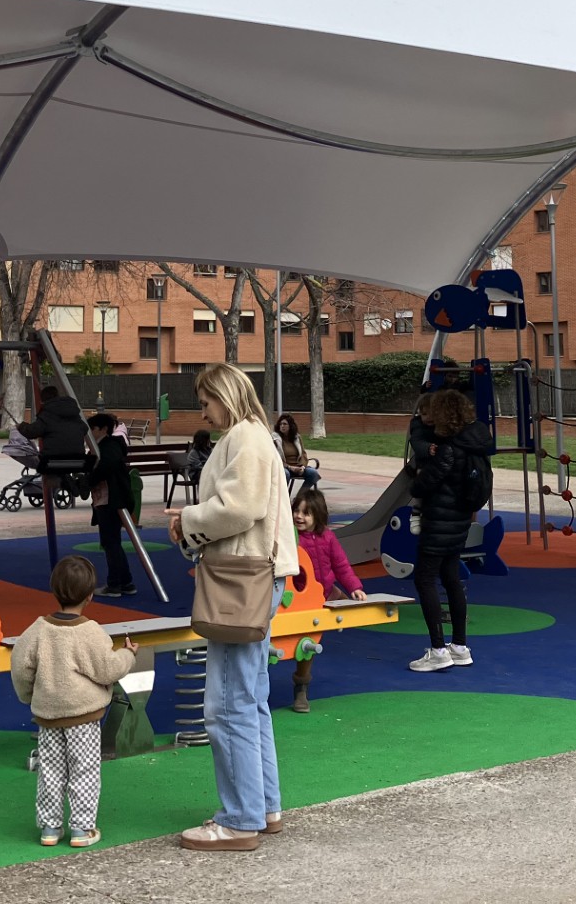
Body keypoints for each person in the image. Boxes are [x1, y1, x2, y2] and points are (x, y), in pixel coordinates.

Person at [166, 361, 299, 852]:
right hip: (259, 577)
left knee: (226, 703)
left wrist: (189, 518)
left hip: (242, 578)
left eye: (206, 401)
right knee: (250, 697)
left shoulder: (243, 439)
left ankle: (240, 819)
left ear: (225, 395)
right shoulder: (257, 436)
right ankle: (262, 806)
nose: (203, 411)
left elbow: (240, 509)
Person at [11, 554, 139, 848]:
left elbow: (20, 665)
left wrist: (29, 696)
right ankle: (81, 829)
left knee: (51, 772)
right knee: (84, 771)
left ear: (53, 590)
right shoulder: (90, 632)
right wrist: (128, 655)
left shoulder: (37, 631)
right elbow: (108, 668)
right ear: (90, 596)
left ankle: (50, 828)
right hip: (84, 716)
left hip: (48, 716)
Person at [405, 387, 493, 673]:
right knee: (452, 578)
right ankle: (460, 645)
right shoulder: (476, 443)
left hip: (438, 523)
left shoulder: (448, 450)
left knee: (425, 579)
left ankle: (438, 649)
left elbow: (420, 485)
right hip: (459, 522)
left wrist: (418, 478)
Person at [291, 487, 364, 713]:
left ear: (318, 517)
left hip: (326, 590)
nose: (299, 516)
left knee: (337, 598)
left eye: (306, 513)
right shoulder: (292, 540)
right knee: (306, 645)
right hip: (304, 598)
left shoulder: (328, 538)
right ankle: (301, 689)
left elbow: (341, 565)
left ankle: (339, 606)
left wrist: (355, 587)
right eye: (296, 511)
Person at [84, 412, 136, 598]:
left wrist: (89, 479)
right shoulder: (105, 448)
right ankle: (126, 582)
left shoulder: (108, 447)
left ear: (103, 429)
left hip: (110, 499)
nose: (90, 432)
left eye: (93, 429)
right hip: (109, 498)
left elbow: (105, 468)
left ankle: (115, 584)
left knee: (110, 542)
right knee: (113, 542)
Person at [22, 385, 90, 468]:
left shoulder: (47, 413)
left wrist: (20, 426)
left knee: (30, 459)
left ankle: (51, 481)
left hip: (53, 461)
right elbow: (85, 428)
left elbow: (32, 432)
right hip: (78, 460)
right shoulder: (73, 413)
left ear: (43, 400)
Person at [274, 413, 319, 490]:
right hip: (283, 467)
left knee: (313, 473)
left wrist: (302, 467)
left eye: (285, 424)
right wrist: (290, 467)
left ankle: (299, 498)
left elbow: (303, 454)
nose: (282, 426)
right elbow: (275, 457)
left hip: (298, 467)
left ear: (290, 426)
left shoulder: (297, 438)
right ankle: (284, 500)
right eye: (280, 424)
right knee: (286, 474)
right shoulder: (275, 439)